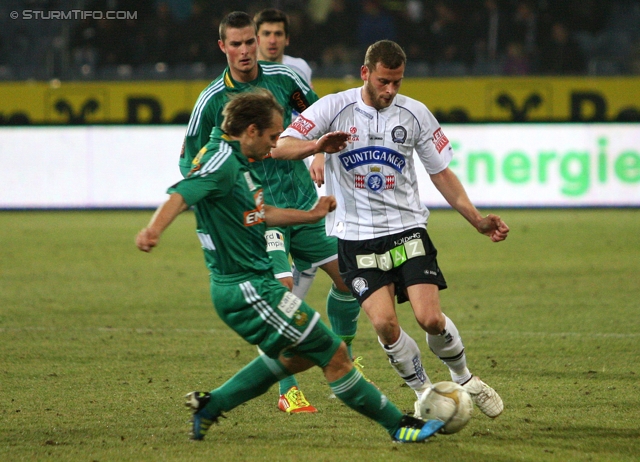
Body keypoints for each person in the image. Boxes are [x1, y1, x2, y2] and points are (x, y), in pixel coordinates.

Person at [136, 89, 445, 443]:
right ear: (251, 131)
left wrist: (310, 214)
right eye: (271, 138)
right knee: (335, 355)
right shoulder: (221, 162)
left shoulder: (237, 163)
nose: (273, 147)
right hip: (246, 289)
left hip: (252, 286)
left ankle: (213, 403)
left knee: (296, 357)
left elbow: (260, 213)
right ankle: (399, 425)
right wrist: (153, 230)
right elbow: (183, 192)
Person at [273, 40, 509, 420]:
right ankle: (424, 393)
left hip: (406, 230)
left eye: (397, 82)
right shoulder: (334, 107)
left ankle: (465, 379)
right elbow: (281, 146)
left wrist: (477, 220)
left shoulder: (414, 114)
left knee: (430, 318)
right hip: (356, 236)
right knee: (384, 324)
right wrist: (317, 145)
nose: (391, 90)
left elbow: (441, 173)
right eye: (384, 81)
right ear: (366, 73)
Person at [179, 11, 364, 414]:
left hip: (301, 201)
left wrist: (317, 153)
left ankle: (344, 355)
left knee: (351, 281)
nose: (246, 51)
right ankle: (288, 390)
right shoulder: (211, 100)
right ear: (223, 47)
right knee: (280, 299)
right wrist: (218, 201)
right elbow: (188, 160)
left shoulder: (284, 80)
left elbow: (316, 119)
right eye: (237, 44)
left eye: (250, 42)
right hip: (259, 217)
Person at [254, 8, 313, 86]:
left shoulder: (300, 68)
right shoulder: (244, 69)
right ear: (255, 39)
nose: (272, 41)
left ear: (287, 39)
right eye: (266, 34)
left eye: (278, 34)